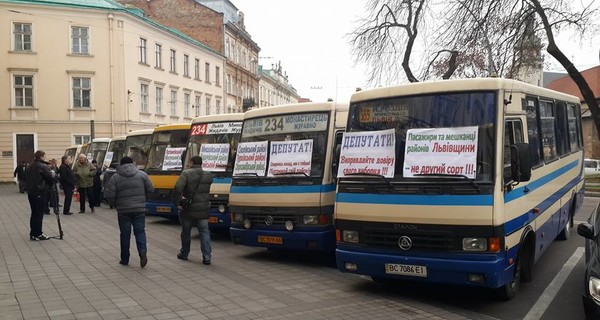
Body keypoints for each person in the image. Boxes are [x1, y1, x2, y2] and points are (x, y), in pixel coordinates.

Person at [104, 156, 154, 267]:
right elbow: (151, 189)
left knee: (125, 235)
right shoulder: (142, 175)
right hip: (139, 208)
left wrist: (115, 204)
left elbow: (110, 195)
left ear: (121, 164)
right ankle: (142, 251)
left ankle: (125, 259)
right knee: (140, 231)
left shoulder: (115, 177)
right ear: (133, 163)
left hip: (123, 210)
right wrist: (144, 200)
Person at [173, 155, 214, 265]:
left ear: (191, 162)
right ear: (201, 163)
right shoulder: (208, 175)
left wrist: (177, 202)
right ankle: (207, 257)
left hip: (188, 209)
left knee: (186, 232)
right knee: (204, 232)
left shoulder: (186, 173)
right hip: (203, 208)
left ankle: (185, 253)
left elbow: (177, 188)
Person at [25, 150, 55, 241]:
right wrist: (53, 174)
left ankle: (33, 233)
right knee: (39, 214)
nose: (45, 158)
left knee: (34, 213)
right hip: (40, 192)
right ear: (41, 157)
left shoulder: (30, 166)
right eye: (44, 156)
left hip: (31, 193)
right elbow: (50, 178)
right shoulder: (43, 166)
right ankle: (38, 233)